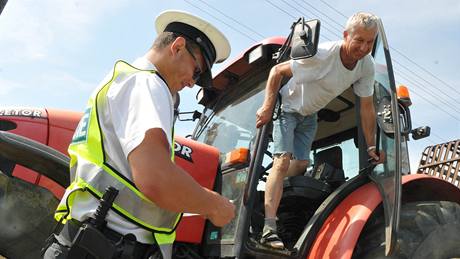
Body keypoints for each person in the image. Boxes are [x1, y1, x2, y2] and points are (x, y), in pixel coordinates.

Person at [42, 10, 235, 259]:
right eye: (196, 72)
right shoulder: (149, 85)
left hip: (87, 240)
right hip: (105, 246)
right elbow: (156, 178)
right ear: (177, 47)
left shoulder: (125, 79)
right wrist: (214, 205)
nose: (191, 83)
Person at [255, 12, 385, 249]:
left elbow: (366, 108)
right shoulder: (322, 54)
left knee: (301, 166)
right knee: (282, 162)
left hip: (310, 116)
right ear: (346, 35)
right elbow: (276, 72)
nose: (364, 47)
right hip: (289, 109)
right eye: (359, 40)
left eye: (370, 42)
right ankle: (268, 227)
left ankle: (270, 187)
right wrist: (266, 106)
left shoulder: (366, 67)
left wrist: (372, 145)